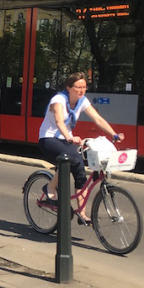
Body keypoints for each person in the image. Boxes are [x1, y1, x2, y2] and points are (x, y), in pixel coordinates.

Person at [38, 72, 124, 223]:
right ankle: (50, 188)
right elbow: (59, 121)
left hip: (66, 140)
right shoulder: (58, 100)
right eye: (78, 87)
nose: (82, 90)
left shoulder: (82, 101)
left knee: (80, 170)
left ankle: (82, 214)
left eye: (84, 87)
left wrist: (114, 134)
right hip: (49, 139)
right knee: (70, 160)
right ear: (69, 88)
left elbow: (97, 119)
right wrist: (69, 137)